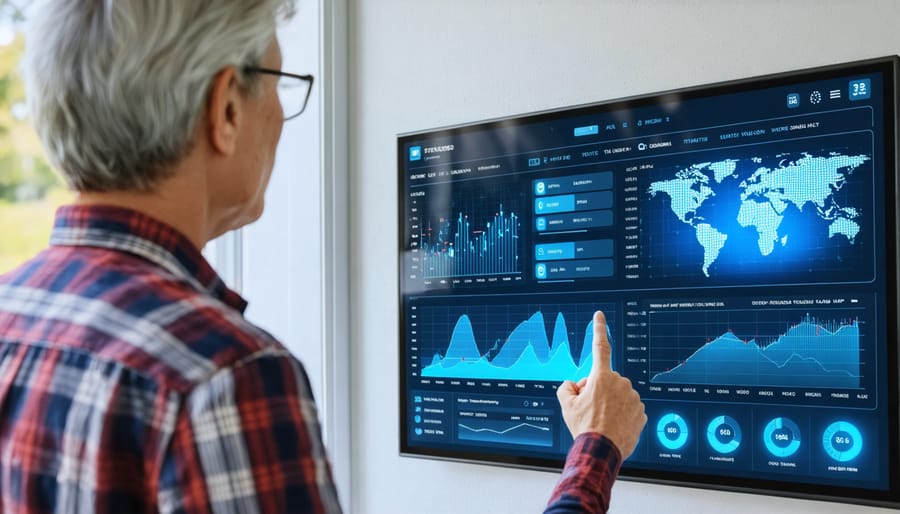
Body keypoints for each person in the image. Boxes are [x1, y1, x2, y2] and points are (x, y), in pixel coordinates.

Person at [0, 1, 645, 513]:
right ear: (225, 108)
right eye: (278, 84)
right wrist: (594, 451)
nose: (282, 116)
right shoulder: (225, 378)